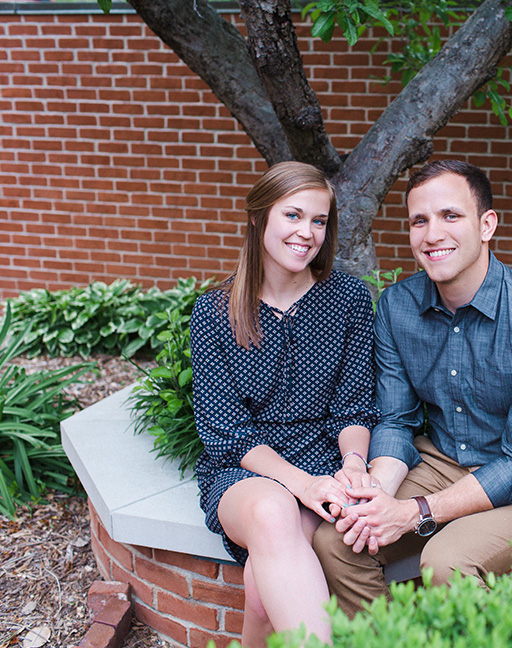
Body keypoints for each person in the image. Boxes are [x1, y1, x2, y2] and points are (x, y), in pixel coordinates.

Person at [312, 159, 512, 617]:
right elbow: (396, 420)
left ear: (487, 224)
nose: (432, 234)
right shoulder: (398, 306)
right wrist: (377, 497)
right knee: (339, 541)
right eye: (420, 220)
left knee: (447, 564)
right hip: (440, 459)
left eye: (450, 216)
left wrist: (411, 512)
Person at [190, 161, 380, 646]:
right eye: (293, 216)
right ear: (259, 218)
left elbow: (354, 407)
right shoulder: (216, 312)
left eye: (319, 221)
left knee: (260, 592)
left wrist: (354, 464)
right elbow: (226, 433)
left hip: (322, 460)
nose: (307, 233)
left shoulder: (349, 300)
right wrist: (303, 485)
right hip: (242, 472)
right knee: (274, 512)